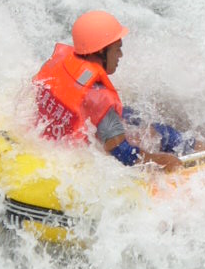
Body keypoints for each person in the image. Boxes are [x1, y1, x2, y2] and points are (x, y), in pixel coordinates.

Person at [33, 10, 188, 170]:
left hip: (55, 136)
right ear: (101, 51)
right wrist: (158, 160)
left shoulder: (63, 63)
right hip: (78, 156)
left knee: (132, 115)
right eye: (117, 49)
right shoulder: (99, 97)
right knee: (164, 133)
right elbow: (122, 153)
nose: (120, 55)